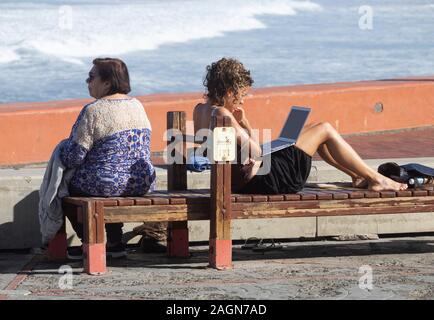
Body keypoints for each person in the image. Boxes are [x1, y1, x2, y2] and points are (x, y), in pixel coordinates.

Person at [193, 57, 408, 194]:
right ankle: (376, 178)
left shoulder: (200, 110)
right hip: (266, 182)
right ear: (229, 92)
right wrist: (246, 130)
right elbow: (257, 153)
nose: (243, 100)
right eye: (241, 95)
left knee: (313, 132)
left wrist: (245, 126)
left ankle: (358, 175)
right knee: (323, 128)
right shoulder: (224, 115)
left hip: (239, 181)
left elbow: (207, 148)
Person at [60, 58, 156, 259]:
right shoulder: (138, 105)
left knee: (63, 189)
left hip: (107, 185)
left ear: (107, 82)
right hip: (141, 183)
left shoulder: (94, 110)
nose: (88, 81)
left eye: (91, 77)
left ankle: (90, 242)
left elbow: (74, 157)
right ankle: (115, 243)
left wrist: (60, 149)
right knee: (109, 177)